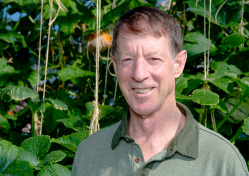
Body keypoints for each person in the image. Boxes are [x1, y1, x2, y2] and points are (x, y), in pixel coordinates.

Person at [71, 6, 249, 176]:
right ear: (115, 66)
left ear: (178, 64)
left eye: (153, 59)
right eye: (127, 59)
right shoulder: (89, 153)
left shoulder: (222, 161)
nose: (139, 74)